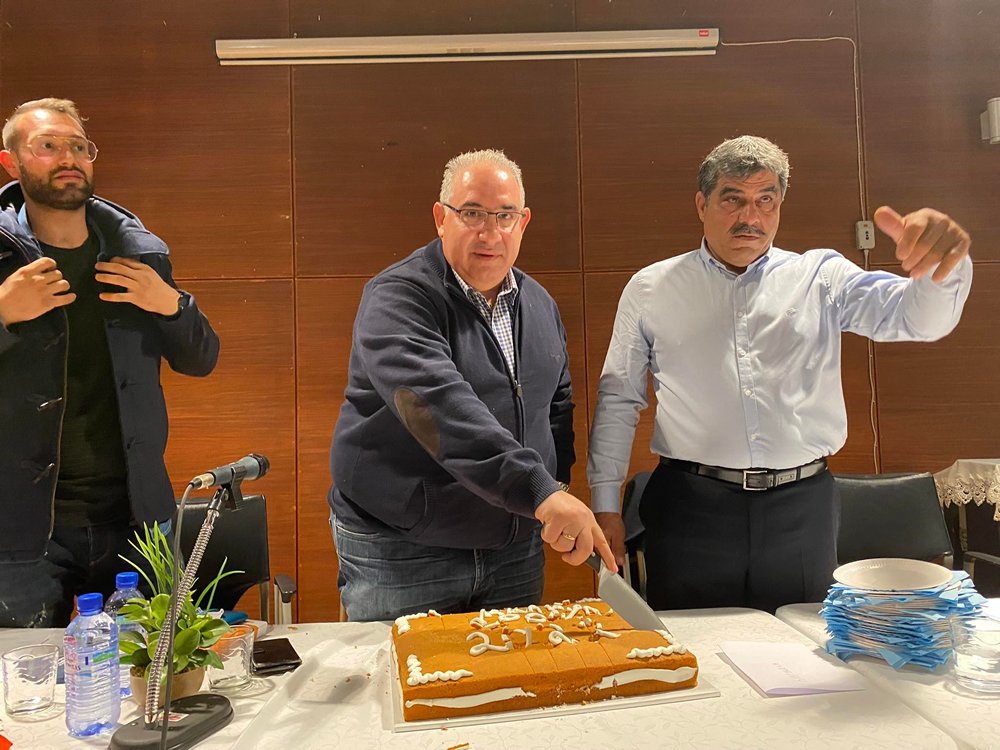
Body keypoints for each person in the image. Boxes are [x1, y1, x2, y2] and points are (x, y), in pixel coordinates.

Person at [588, 135, 972, 613]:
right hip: (691, 507)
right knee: (698, 644)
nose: (750, 217)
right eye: (733, 199)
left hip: (802, 507)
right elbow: (619, 399)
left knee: (802, 644)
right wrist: (605, 505)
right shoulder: (651, 288)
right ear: (702, 205)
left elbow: (917, 319)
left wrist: (942, 270)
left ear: (780, 205)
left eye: (765, 200)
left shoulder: (821, 277)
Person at [328, 148, 616, 621]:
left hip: (514, 548)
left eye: (504, 215)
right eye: (472, 213)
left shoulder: (539, 303)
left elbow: (556, 405)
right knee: (402, 669)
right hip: (405, 549)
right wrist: (539, 491)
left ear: (523, 222)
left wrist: (554, 485)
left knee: (511, 669)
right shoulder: (397, 298)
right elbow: (436, 408)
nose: (489, 232)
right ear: (441, 218)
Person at [0, 98, 220, 627]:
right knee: (23, 675)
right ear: (11, 162)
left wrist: (171, 304)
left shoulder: (137, 253)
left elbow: (201, 358)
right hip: (22, 533)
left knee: (160, 667)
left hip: (139, 521)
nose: (68, 158)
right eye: (47, 146)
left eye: (79, 146)